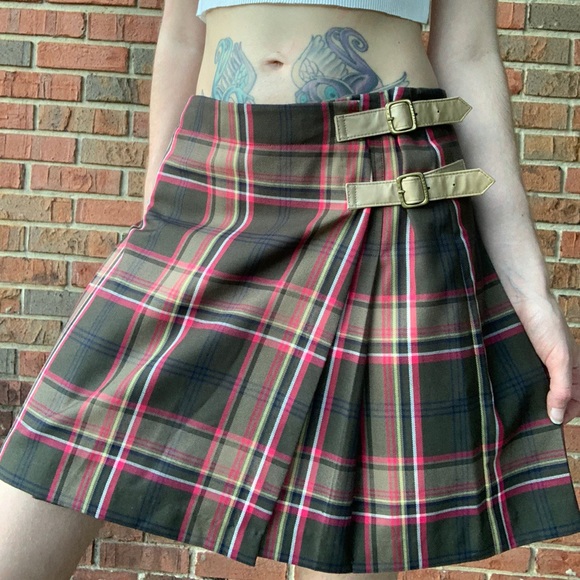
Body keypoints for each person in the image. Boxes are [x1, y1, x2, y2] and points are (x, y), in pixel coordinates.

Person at [0, 1, 579, 579]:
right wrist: (161, 208)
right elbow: (181, 36)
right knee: (55, 444)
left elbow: (468, 52)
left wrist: (531, 292)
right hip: (219, 177)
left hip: (381, 183)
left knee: (352, 519)